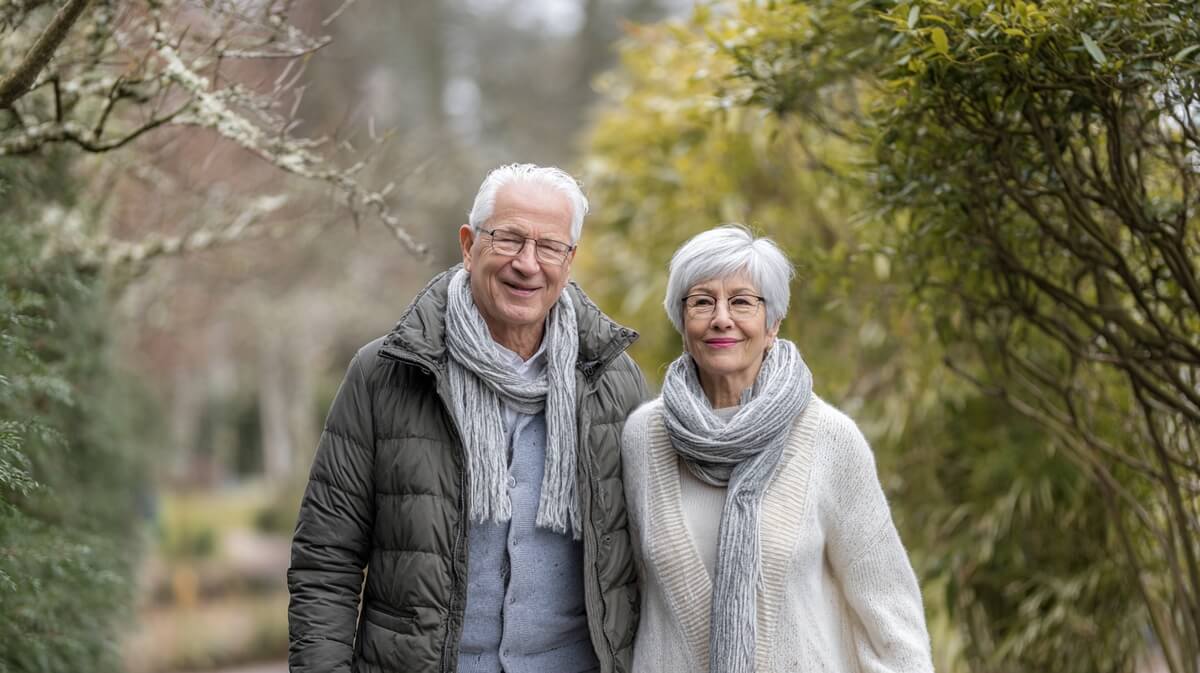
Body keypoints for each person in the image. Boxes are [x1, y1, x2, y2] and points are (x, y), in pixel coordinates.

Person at [288, 164, 649, 673]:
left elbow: (648, 562)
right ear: (468, 244)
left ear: (570, 262)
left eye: (549, 247)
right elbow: (326, 560)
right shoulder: (386, 374)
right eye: (509, 239)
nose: (528, 264)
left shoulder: (613, 381)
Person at [621, 225, 933, 673]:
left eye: (743, 302)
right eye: (702, 302)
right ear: (682, 322)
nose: (721, 318)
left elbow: (889, 611)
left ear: (773, 325)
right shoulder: (643, 438)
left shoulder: (828, 437)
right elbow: (625, 592)